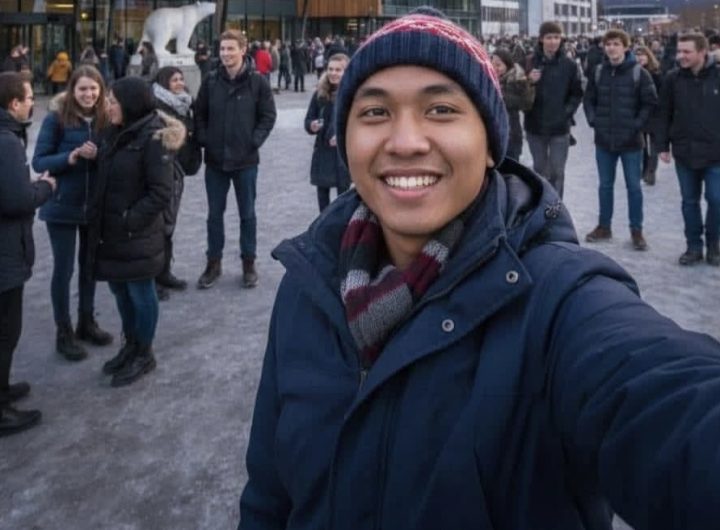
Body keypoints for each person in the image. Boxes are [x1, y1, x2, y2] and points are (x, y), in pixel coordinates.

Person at [238, 9, 720, 530]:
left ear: (491, 145)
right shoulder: (308, 288)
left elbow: (667, 401)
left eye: (441, 109)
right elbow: (268, 497)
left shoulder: (556, 301)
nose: (405, 141)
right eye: (375, 112)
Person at [90, 77, 183, 386]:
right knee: (119, 291)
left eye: (113, 102)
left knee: (140, 294)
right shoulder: (112, 133)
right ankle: (130, 345)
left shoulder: (153, 138)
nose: (107, 106)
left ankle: (144, 352)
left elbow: (161, 192)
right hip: (112, 233)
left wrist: (130, 220)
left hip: (136, 234)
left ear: (130, 104)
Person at [32, 65, 114, 361]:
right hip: (62, 206)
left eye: (93, 88)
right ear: (72, 90)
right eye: (82, 89)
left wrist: (99, 155)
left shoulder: (107, 119)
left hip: (93, 207)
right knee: (64, 270)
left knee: (89, 266)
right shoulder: (56, 119)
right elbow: (39, 161)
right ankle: (63, 331)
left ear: (101, 90)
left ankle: (86, 322)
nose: (88, 94)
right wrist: (71, 156)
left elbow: (114, 157)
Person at [194, 30, 276, 289]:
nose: (226, 53)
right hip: (215, 161)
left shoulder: (257, 82)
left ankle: (248, 262)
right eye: (222, 49)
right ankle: (213, 263)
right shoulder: (210, 81)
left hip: (246, 161)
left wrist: (254, 140)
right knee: (214, 215)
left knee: (247, 214)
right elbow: (199, 114)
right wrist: (205, 139)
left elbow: (268, 116)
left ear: (243, 49)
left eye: (231, 48)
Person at [0, 72, 56, 436]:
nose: (33, 103)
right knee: (6, 331)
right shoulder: (6, 141)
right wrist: (45, 187)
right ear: (13, 103)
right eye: (28, 97)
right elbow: (16, 201)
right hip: (5, 252)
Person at [583, 29, 657, 251]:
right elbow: (589, 99)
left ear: (625, 47)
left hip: (631, 142)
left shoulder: (639, 73)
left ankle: (636, 230)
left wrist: (636, 125)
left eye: (616, 44)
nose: (612, 48)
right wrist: (594, 121)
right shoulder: (599, 72)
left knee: (634, 187)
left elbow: (650, 103)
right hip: (604, 140)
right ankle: (604, 226)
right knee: (605, 186)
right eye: (608, 44)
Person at [656, 32, 720, 267]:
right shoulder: (672, 79)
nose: (680, 56)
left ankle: (714, 245)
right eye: (679, 51)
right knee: (689, 202)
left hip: (716, 153)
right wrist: (662, 145)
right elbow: (663, 113)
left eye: (686, 52)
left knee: (716, 199)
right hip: (685, 152)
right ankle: (693, 246)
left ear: (702, 52)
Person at [152, 66, 202, 298]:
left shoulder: (185, 104)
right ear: (164, 82)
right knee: (158, 226)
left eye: (181, 79)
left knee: (169, 225)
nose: (180, 83)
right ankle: (153, 278)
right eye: (175, 80)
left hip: (178, 171)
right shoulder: (156, 107)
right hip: (161, 171)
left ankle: (164, 272)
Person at [524, 21, 583, 198]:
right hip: (535, 126)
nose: (553, 41)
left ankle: (555, 210)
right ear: (541, 39)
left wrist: (565, 113)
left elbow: (577, 94)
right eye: (549, 37)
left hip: (560, 128)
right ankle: (541, 207)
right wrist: (528, 82)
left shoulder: (569, 65)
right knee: (540, 171)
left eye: (556, 37)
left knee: (557, 172)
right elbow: (517, 94)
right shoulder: (528, 62)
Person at [304, 53, 351, 212]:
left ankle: (341, 226)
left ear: (346, 71)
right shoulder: (320, 93)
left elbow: (359, 125)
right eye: (330, 69)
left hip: (342, 154)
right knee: (322, 196)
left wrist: (342, 136)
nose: (333, 73)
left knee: (343, 197)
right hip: (323, 150)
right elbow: (308, 120)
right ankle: (323, 224)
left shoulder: (352, 94)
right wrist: (312, 125)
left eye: (338, 70)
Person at [491, 48, 535, 161]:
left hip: (511, 133)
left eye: (498, 65)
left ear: (507, 65)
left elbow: (526, 103)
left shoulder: (518, 80)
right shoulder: (487, 81)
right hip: (491, 134)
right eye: (492, 64)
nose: (495, 68)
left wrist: (502, 96)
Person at [635, 45, 663, 185]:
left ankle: (651, 171)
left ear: (648, 56)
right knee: (643, 146)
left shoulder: (656, 74)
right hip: (640, 114)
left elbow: (661, 94)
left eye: (643, 55)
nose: (640, 58)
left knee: (654, 146)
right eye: (638, 55)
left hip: (655, 114)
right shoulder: (634, 74)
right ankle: (645, 169)